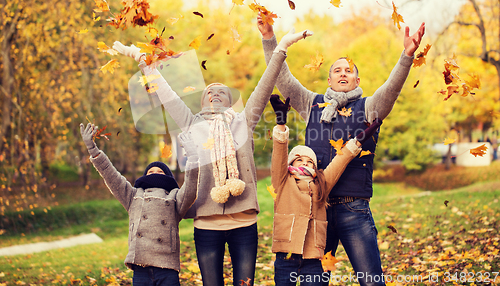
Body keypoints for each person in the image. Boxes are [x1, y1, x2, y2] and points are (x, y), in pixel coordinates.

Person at [112, 25, 312, 286]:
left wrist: (281, 47)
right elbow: (166, 94)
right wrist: (144, 64)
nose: (215, 93)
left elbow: (265, 83)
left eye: (222, 92)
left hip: (244, 222)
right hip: (206, 225)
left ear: (230, 101)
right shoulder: (191, 123)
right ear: (202, 101)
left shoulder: (244, 122)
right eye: (210, 92)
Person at [258, 18, 425, 286]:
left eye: (349, 70)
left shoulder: (369, 107)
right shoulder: (311, 104)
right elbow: (283, 79)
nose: (343, 73)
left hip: (353, 208)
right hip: (316, 208)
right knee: (316, 281)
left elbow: (391, 90)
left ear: (357, 79)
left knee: (370, 280)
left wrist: (406, 56)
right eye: (337, 70)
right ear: (329, 78)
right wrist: (269, 39)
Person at [268, 94, 382, 286]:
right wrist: (281, 123)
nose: (305, 163)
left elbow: (340, 160)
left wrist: (358, 141)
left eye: (309, 162)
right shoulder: (283, 181)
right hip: (286, 253)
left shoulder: (320, 183)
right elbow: (279, 152)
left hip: (314, 255)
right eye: (299, 160)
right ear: (290, 164)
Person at [79, 123, 199, 286]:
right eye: (151, 172)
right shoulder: (133, 195)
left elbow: (191, 188)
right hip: (140, 268)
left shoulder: (175, 197)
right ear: (144, 176)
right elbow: (111, 176)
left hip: (167, 267)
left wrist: (193, 159)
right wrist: (93, 149)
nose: (155, 174)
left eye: (160, 172)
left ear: (168, 177)